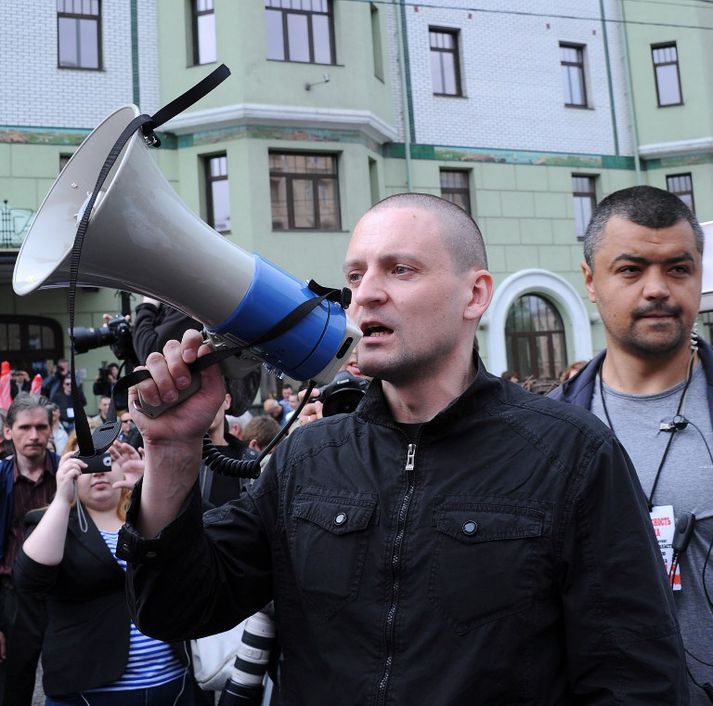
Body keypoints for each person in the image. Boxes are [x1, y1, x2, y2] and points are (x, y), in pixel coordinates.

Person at [117, 193, 687, 704]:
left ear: (475, 294)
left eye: (402, 270)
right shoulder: (304, 459)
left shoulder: (572, 455)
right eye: (357, 275)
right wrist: (171, 451)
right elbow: (179, 606)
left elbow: (634, 679)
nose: (368, 294)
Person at [548, 184, 713, 702]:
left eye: (678, 269)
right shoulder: (545, 433)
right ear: (591, 281)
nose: (657, 288)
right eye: (631, 269)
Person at [13, 443, 196, 706]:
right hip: (89, 690)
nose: (98, 473)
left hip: (171, 682)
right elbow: (29, 579)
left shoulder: (147, 514)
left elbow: (202, 546)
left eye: (107, 462)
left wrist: (155, 491)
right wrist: (63, 498)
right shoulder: (57, 521)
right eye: (87, 465)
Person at [0, 394, 59, 706]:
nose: (34, 435)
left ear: (51, 429)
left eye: (41, 426)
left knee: (70, 680)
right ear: (9, 431)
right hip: (13, 598)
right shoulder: (1, 478)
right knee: (13, 683)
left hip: (64, 594)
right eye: (25, 427)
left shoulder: (69, 474)